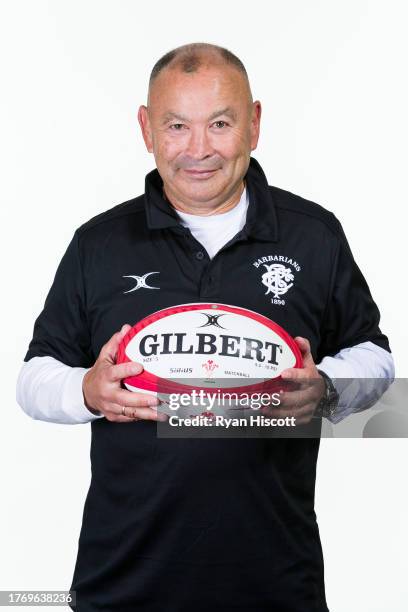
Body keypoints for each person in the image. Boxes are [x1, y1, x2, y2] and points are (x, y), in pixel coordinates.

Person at [16, 42, 394, 611]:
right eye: (176, 126)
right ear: (146, 129)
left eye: (220, 123)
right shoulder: (98, 243)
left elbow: (376, 355)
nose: (199, 150)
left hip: (274, 583)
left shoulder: (313, 235)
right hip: (123, 583)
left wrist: (329, 389)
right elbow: (33, 377)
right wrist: (86, 391)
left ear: (255, 124)